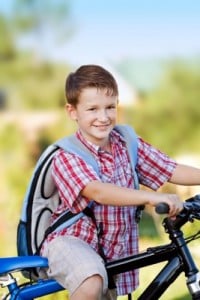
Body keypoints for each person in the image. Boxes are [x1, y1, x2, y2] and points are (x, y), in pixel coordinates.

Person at [41, 64, 200, 300]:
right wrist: (152, 196)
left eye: (110, 107)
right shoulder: (67, 156)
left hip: (112, 252)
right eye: (92, 109)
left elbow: (170, 169)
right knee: (91, 279)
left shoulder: (126, 144)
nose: (103, 117)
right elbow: (98, 191)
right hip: (72, 242)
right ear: (72, 111)